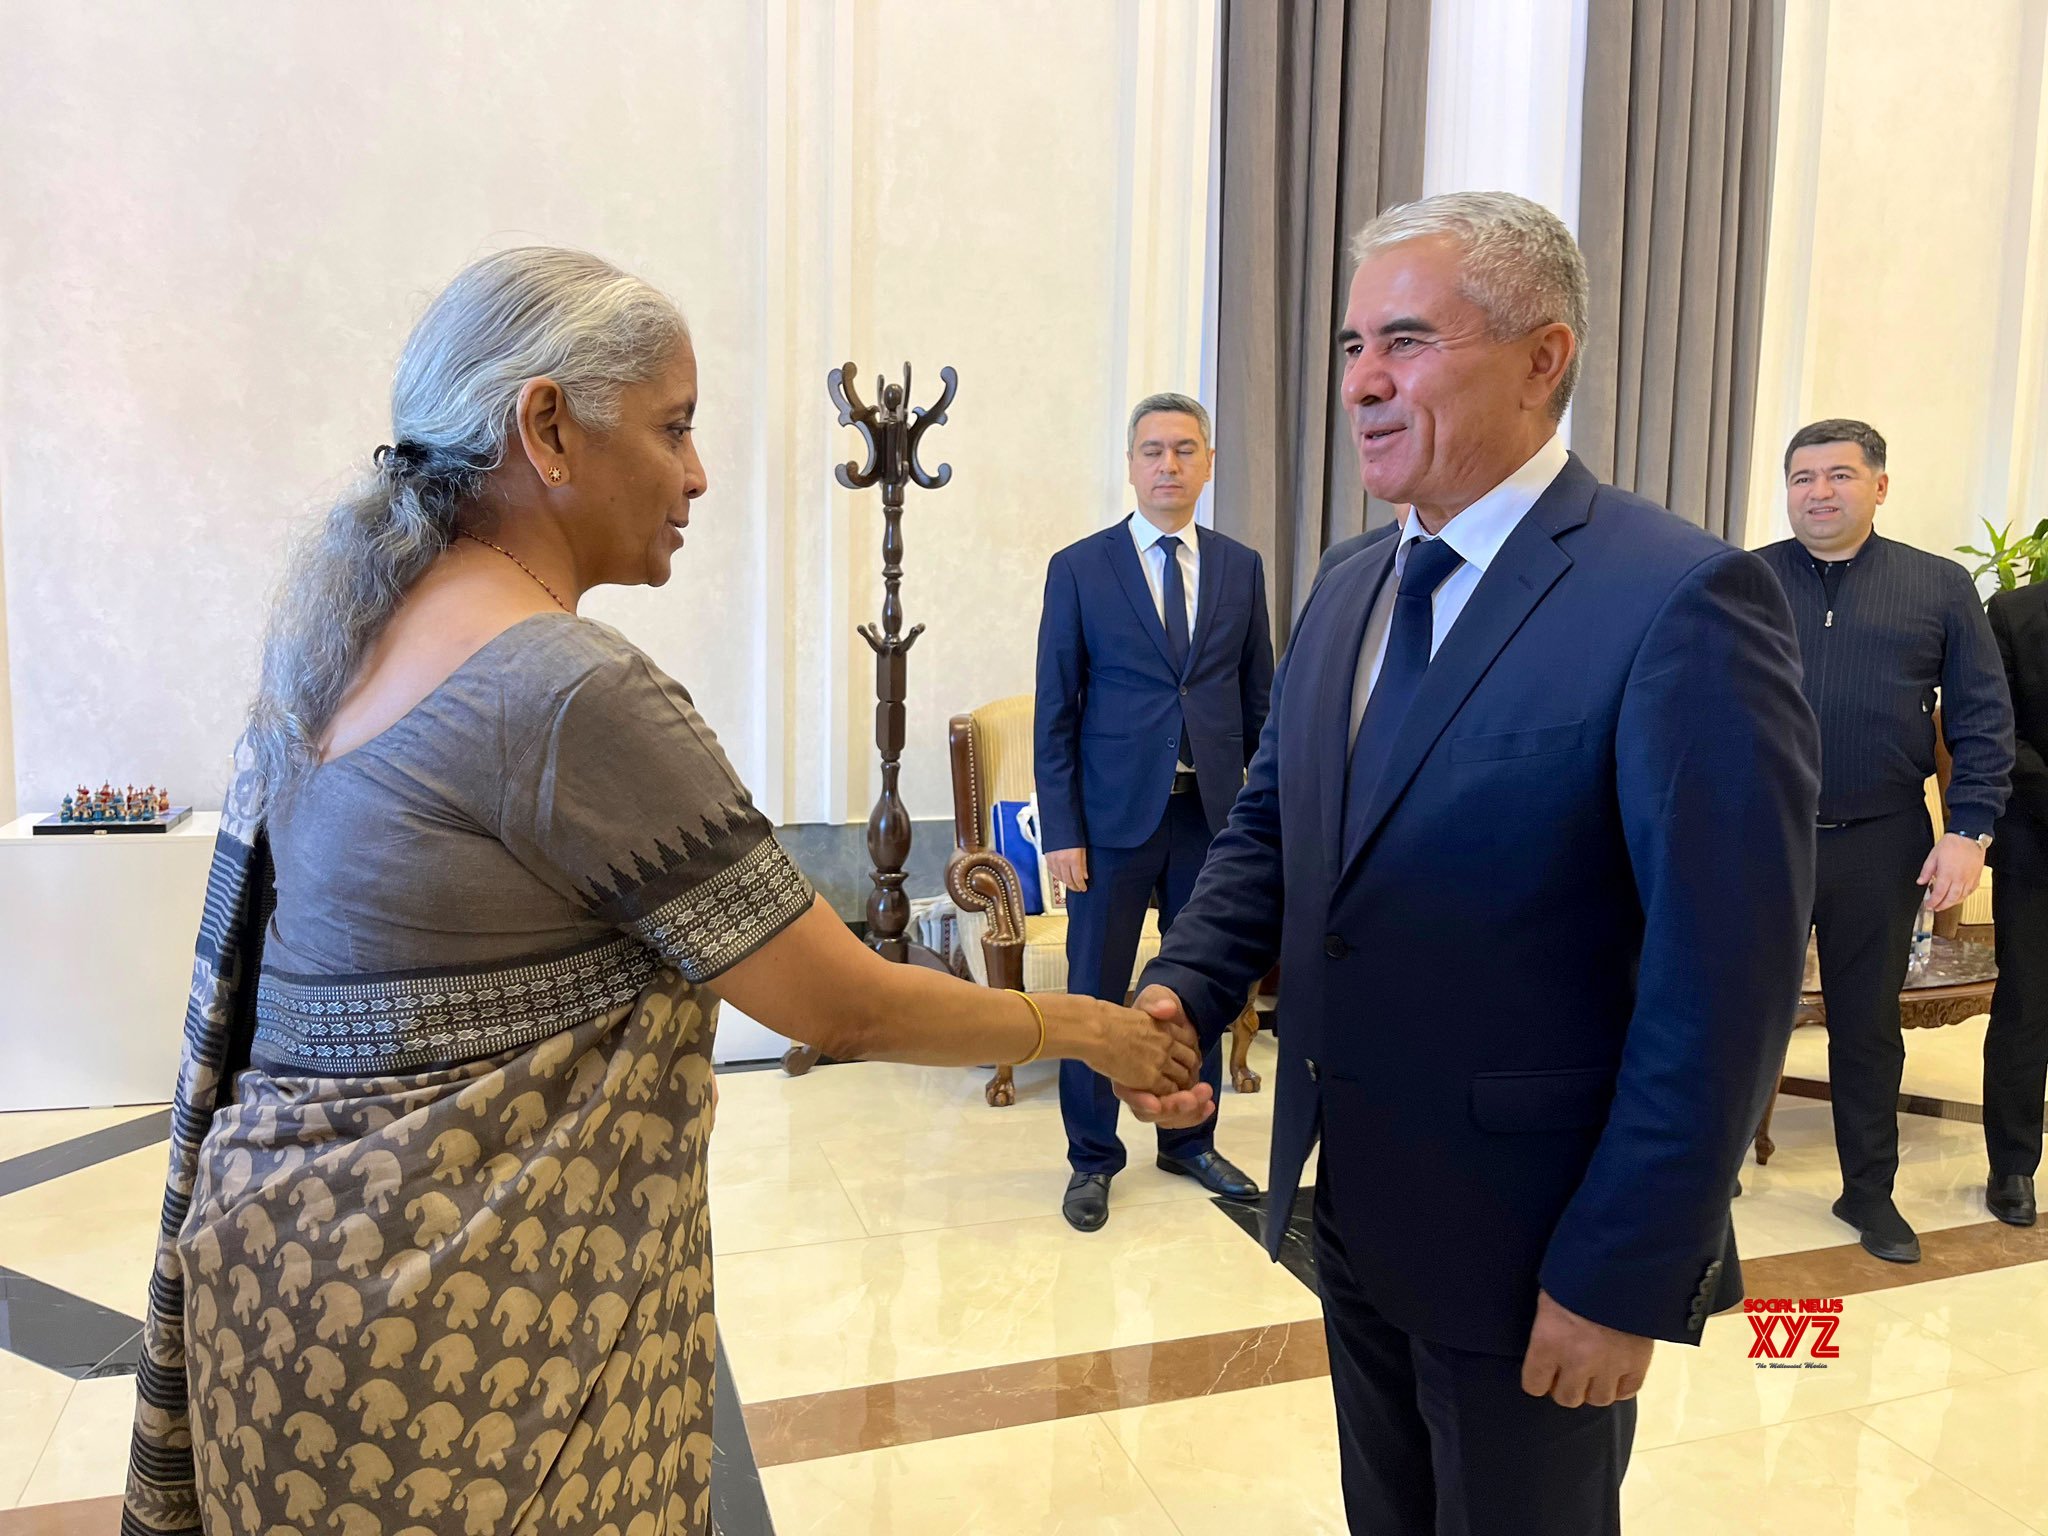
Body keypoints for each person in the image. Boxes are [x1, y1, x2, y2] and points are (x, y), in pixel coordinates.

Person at [121, 248, 1199, 1536]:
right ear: (546, 429)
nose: (697, 474)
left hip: (283, 1297)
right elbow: (841, 1006)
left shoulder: (349, 630)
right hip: (454, 1356)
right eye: (673, 427)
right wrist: (1096, 1030)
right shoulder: (561, 688)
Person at [1119, 192, 1820, 1535]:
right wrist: (1182, 991)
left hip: (1540, 1246)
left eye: (1406, 342)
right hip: (1354, 1206)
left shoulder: (1679, 599)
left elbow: (1722, 980)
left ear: (1542, 358)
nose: (1360, 382)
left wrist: (1625, 1270)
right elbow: (1274, 828)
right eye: (1350, 346)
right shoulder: (1349, 584)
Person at [1756, 421, 2014, 1262]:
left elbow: (1982, 719)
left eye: (1839, 474)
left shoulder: (1938, 586)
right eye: (1802, 477)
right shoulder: (1743, 580)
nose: (1819, 492)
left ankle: (1868, 1192)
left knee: (1867, 1027)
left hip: (1882, 840)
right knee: (1738, 1019)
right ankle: (1705, 1187)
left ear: (1880, 486)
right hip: (1762, 839)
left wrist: (1969, 831)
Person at [1034, 392, 1273, 1231]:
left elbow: (1258, 704)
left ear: (1208, 463)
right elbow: (1055, 709)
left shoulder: (1240, 567)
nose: (1168, 465)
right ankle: (1092, 1157)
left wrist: (1262, 820)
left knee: (1199, 983)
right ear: (1131, 466)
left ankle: (1189, 1139)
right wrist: (1062, 831)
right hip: (1110, 823)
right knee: (1096, 992)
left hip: (1212, 818)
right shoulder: (1080, 567)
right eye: (1152, 451)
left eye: (1184, 449)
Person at [1986, 576, 2048, 1225]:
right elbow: (2000, 731)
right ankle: (2012, 1167)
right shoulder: (2012, 612)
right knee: (2026, 1007)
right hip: (2036, 843)